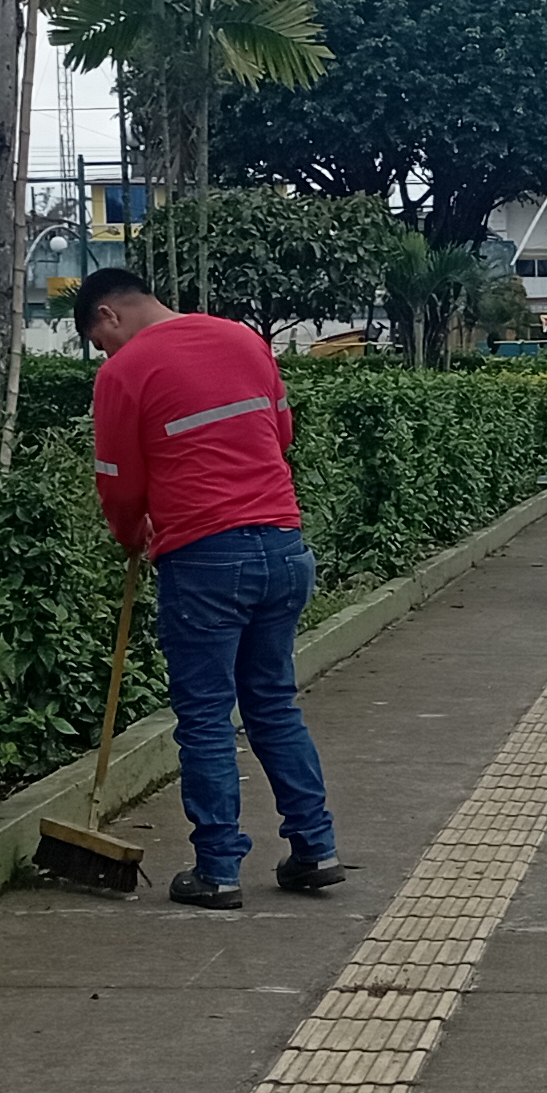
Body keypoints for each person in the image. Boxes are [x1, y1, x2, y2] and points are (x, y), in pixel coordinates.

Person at [80, 267, 343, 911]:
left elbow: (117, 480)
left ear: (109, 315)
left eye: (99, 341)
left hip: (205, 558)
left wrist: (130, 533)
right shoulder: (243, 338)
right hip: (284, 546)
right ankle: (315, 850)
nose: (105, 354)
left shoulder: (123, 371)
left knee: (204, 716)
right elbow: (281, 433)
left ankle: (219, 870)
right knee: (273, 703)